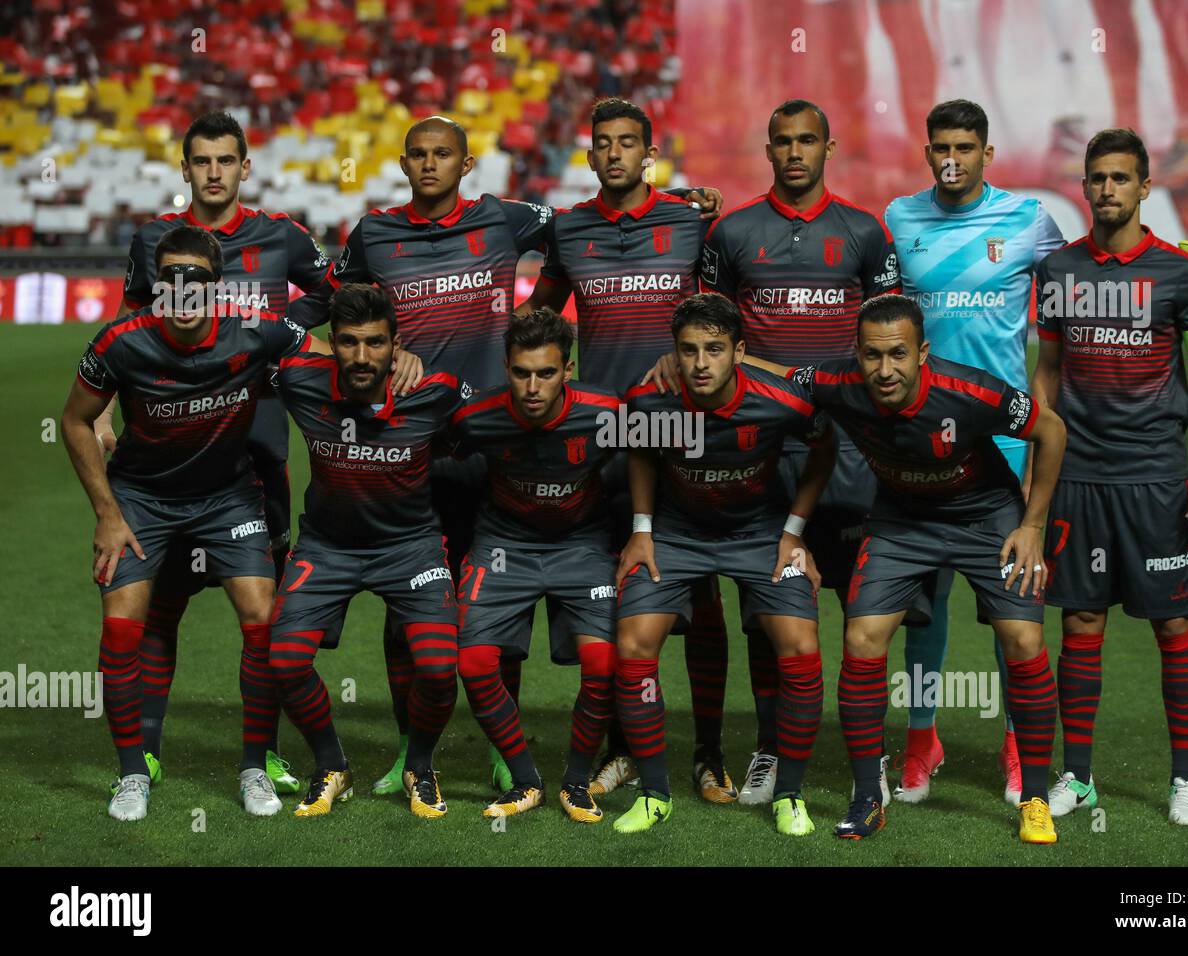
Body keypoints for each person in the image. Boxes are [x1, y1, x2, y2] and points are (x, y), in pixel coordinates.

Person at [292, 116, 723, 796]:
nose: (431, 165)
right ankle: (412, 751)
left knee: (512, 609)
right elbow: (335, 306)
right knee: (417, 605)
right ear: (404, 163)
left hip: (507, 441)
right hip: (419, 442)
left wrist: (686, 198)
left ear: (467, 164)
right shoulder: (374, 234)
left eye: (445, 155)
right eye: (420, 156)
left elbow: (596, 221)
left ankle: (516, 746)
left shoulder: (510, 219)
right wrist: (323, 340)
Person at [747, 293, 1069, 843]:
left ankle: (1035, 796)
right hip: (901, 520)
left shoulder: (970, 391)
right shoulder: (841, 383)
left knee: (1022, 638)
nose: (884, 370)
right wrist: (729, 355)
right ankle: (868, 796)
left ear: (922, 352)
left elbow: (1052, 431)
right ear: (857, 352)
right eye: (871, 355)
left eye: (897, 354)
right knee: (863, 635)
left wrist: (1032, 526)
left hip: (986, 516)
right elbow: (782, 373)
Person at [518, 97, 738, 803]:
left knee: (700, 596)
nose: (614, 154)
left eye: (627, 144)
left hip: (682, 428)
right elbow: (540, 319)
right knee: (616, 595)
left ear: (649, 153)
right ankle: (621, 746)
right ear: (589, 155)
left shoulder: (689, 219)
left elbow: (726, 316)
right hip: (601, 433)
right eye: (602, 144)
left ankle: (708, 752)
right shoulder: (570, 229)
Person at [61, 225, 317, 820]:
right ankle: (132, 774)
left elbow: (326, 352)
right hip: (141, 500)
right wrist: (106, 514)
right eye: (168, 279)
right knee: (123, 624)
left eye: (194, 279)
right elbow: (76, 421)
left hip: (228, 497)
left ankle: (255, 764)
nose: (181, 291)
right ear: (154, 284)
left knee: (261, 616)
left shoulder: (252, 331)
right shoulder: (119, 343)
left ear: (215, 285)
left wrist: (394, 356)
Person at [686, 98, 901, 804]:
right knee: (770, 614)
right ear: (768, 149)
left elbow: (889, 334)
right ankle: (772, 752)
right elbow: (708, 329)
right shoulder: (735, 232)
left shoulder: (866, 234)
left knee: (866, 611)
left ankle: (870, 758)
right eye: (784, 141)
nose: (796, 152)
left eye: (808, 140)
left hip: (858, 455)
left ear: (828, 147)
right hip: (768, 457)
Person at [1031, 128, 1188, 826]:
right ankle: (1079, 777)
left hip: (1153, 477)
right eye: (1098, 178)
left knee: (1173, 623)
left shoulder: (1182, 273)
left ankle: (1184, 782)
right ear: (1084, 187)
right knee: (1081, 620)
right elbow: (1048, 371)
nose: (1108, 189)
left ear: (1146, 187)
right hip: (1080, 476)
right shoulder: (1056, 273)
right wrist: (1038, 469)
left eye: (1121, 178)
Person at [884, 98, 1065, 804]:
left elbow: (1085, 281)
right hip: (921, 441)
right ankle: (922, 736)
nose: (951, 157)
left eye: (964, 145)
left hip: (1007, 445)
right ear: (927, 152)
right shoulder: (900, 220)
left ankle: (1019, 743)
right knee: (923, 604)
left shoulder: (1028, 221)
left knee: (1012, 605)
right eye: (939, 146)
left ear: (988, 153)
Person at [613, 293, 836, 836]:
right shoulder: (649, 399)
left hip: (760, 533)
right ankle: (653, 793)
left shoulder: (783, 400)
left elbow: (824, 448)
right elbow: (639, 452)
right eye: (688, 350)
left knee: (801, 644)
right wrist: (641, 532)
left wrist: (794, 531)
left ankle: (789, 795)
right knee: (633, 643)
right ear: (675, 352)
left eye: (714, 349)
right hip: (677, 532)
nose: (701, 363)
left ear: (739, 350)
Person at [270, 283, 466, 818]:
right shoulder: (299, 380)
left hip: (412, 549)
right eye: (349, 342)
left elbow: (495, 421)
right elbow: (247, 340)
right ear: (329, 343)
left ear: (396, 344)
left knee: (437, 667)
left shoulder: (437, 390)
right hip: (327, 547)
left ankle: (420, 767)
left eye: (376, 343)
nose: (362, 357)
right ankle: (332, 764)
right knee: (285, 662)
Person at [448, 308, 623, 823]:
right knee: (474, 663)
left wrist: (638, 531)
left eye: (545, 373)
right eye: (521, 372)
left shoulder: (609, 411)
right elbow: (430, 452)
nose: (532, 385)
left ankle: (576, 780)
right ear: (506, 367)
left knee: (604, 665)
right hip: (503, 544)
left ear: (567, 371)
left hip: (582, 544)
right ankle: (525, 779)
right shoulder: (474, 416)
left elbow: (660, 452)